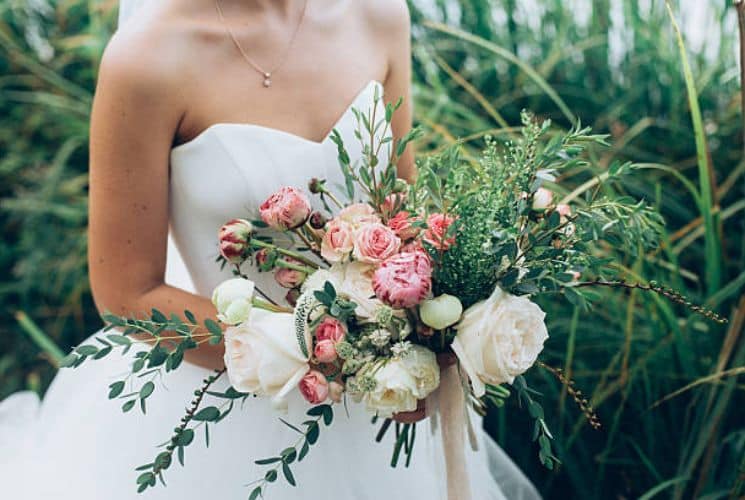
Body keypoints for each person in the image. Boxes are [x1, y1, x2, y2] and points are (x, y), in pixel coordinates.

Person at [0, 1, 540, 498]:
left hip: (383, 408)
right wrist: (324, 356)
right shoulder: (145, 59)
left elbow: (404, 210)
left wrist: (435, 324)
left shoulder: (378, 14)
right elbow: (126, 293)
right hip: (228, 408)